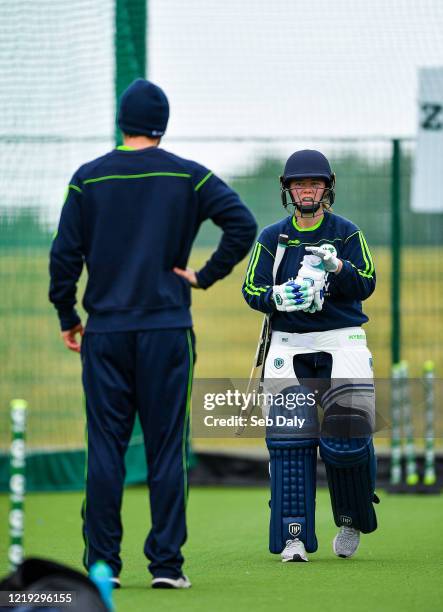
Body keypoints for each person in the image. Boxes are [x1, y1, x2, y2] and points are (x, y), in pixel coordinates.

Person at [49, 78, 257, 588]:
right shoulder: (187, 176)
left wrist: (67, 317)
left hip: (106, 335)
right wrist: (203, 276)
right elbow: (242, 224)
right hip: (167, 331)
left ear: (122, 121)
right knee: (166, 449)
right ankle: (167, 568)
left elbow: (63, 258)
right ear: (162, 125)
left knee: (105, 449)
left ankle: (103, 566)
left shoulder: (88, 179)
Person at [242, 149, 379, 562]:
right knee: (290, 442)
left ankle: (351, 519)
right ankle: (293, 536)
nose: (306, 190)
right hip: (290, 343)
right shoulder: (273, 237)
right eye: (299, 184)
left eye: (314, 184)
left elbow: (367, 284)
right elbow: (252, 291)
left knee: (348, 437)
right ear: (288, 190)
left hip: (342, 339)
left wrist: (338, 269)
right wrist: (278, 297)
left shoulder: (347, 232)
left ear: (326, 188)